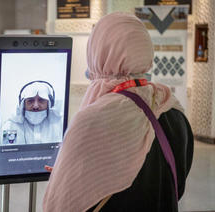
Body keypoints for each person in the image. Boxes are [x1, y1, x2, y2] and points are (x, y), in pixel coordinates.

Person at [43, 12, 193, 212]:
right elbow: (176, 187)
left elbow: (60, 204)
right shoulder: (172, 109)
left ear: (98, 52)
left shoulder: (91, 121)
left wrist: (66, 173)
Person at [0, 81, 63, 145]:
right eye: (30, 101)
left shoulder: (60, 124)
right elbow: (7, 153)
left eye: (41, 100)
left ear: (49, 104)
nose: (36, 106)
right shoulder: (10, 126)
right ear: (23, 104)